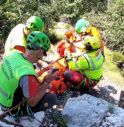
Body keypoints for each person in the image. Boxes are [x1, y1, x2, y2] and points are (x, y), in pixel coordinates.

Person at [0, 31, 57, 117]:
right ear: (39, 52)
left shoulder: (13, 54)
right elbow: (32, 102)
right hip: (11, 109)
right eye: (44, 54)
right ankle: (23, 113)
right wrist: (47, 81)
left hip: (3, 98)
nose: (42, 57)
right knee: (51, 98)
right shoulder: (27, 74)